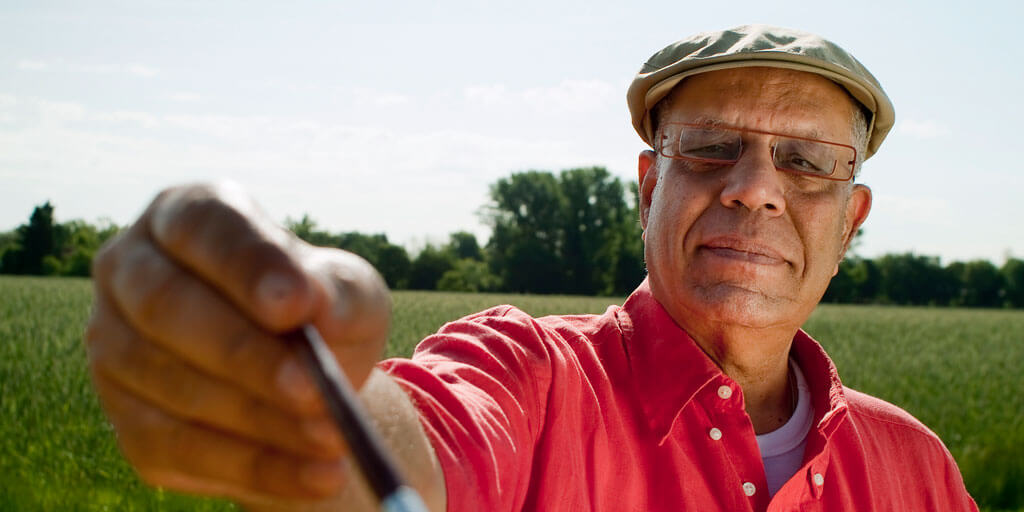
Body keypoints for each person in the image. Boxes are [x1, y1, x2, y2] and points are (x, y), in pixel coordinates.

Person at [85, 25, 978, 511]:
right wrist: (314, 409)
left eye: (808, 162)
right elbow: (413, 447)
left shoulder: (914, 465)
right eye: (708, 149)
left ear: (852, 217)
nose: (755, 190)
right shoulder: (530, 377)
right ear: (645, 187)